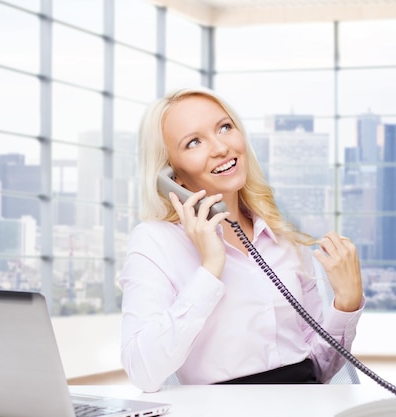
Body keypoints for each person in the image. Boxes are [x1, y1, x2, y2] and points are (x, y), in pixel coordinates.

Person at [118, 86, 364, 393]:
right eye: (194, 142)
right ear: (172, 175)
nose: (220, 148)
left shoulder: (282, 237)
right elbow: (142, 371)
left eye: (225, 127)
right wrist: (210, 268)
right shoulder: (156, 241)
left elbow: (321, 369)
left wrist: (347, 303)